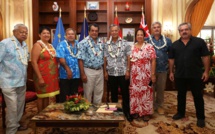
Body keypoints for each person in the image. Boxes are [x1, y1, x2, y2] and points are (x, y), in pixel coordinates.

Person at [168, 22, 210, 128]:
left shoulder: (199, 42)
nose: (184, 32)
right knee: (180, 95)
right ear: (179, 32)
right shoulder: (175, 45)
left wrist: (206, 71)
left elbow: (205, 57)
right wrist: (171, 72)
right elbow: (171, 59)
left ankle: (201, 117)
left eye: (186, 29)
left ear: (190, 30)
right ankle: (180, 113)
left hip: (195, 75)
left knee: (198, 96)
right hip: (180, 75)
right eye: (182, 30)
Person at [104, 24, 136, 126]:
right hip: (112, 73)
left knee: (125, 93)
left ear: (119, 31)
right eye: (112, 31)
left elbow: (128, 57)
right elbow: (105, 59)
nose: (114, 32)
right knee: (113, 94)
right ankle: (115, 112)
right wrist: (105, 71)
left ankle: (127, 112)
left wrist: (128, 70)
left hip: (122, 72)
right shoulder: (106, 44)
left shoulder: (125, 43)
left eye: (115, 30)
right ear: (110, 32)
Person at [0, 24, 28, 133]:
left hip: (21, 81)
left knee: (20, 107)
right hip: (8, 82)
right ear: (14, 32)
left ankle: (16, 125)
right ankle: (11, 131)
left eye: (26, 32)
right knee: (12, 108)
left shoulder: (24, 45)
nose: (24, 34)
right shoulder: (5, 44)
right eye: (21, 32)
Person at [130, 28, 156, 127]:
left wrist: (153, 74)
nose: (139, 36)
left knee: (146, 92)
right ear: (135, 36)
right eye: (138, 35)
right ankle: (136, 111)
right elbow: (129, 60)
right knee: (135, 92)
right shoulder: (132, 47)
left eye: (141, 34)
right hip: (135, 74)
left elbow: (153, 60)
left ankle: (145, 113)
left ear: (144, 36)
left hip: (146, 74)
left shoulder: (149, 47)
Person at [146, 21, 172, 115]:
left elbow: (171, 55)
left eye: (158, 27)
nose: (156, 29)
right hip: (149, 70)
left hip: (162, 69)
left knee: (161, 89)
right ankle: (151, 106)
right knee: (150, 89)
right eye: (154, 27)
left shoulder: (168, 40)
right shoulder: (147, 40)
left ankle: (160, 106)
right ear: (152, 29)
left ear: (161, 29)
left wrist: (171, 69)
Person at [31, 26, 60, 113]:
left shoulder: (50, 45)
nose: (46, 35)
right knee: (41, 96)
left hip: (51, 76)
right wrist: (40, 77)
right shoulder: (37, 45)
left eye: (48, 33)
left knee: (47, 96)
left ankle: (45, 115)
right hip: (42, 75)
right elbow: (33, 62)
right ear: (39, 35)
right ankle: (40, 116)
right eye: (44, 33)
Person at [77, 23, 104, 104]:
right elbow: (80, 59)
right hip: (88, 71)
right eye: (92, 31)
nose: (94, 32)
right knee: (88, 93)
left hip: (100, 70)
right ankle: (87, 114)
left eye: (96, 31)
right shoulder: (83, 43)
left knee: (99, 93)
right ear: (89, 32)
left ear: (98, 32)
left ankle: (97, 113)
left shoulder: (101, 42)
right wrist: (82, 74)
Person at [56, 28, 80, 102]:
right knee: (65, 95)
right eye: (69, 34)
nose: (71, 36)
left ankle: (74, 111)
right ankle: (64, 112)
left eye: (72, 34)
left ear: (75, 35)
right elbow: (61, 58)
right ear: (65, 35)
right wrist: (68, 70)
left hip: (76, 74)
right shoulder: (61, 44)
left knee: (74, 95)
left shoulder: (78, 44)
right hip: (65, 75)